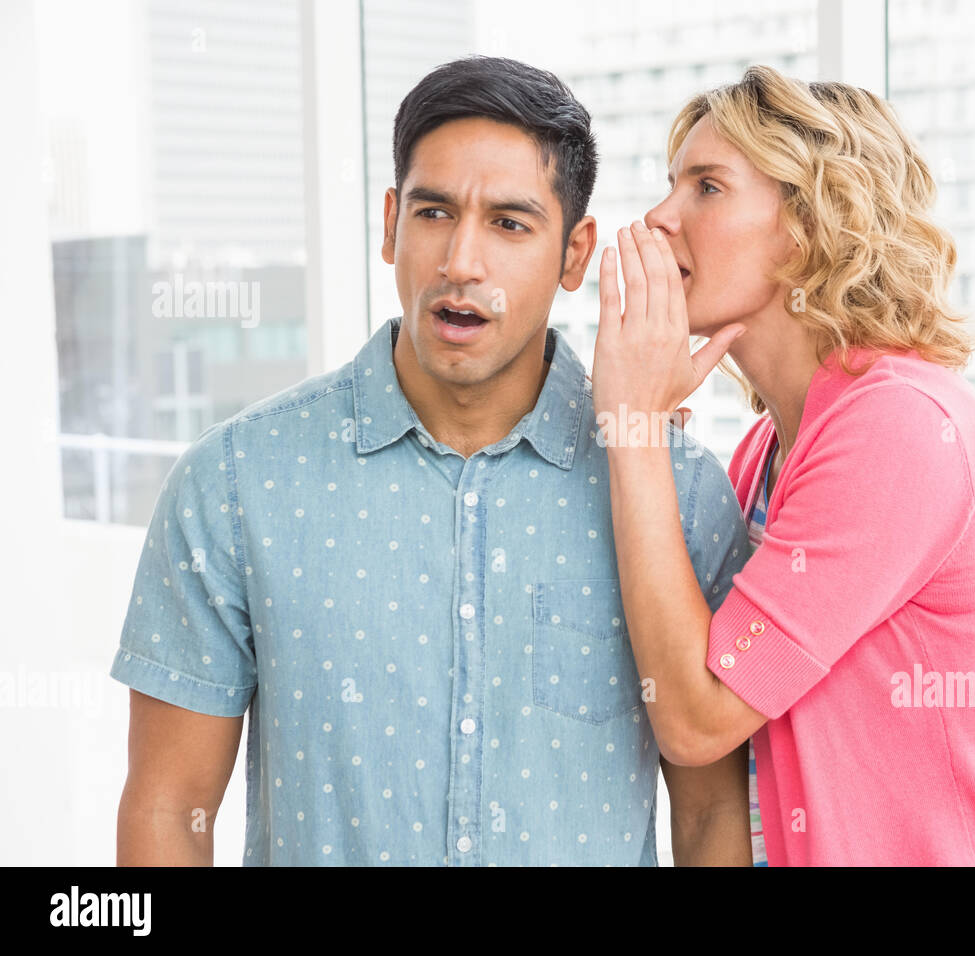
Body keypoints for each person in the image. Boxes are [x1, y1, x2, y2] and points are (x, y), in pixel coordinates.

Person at [109, 56, 753, 867]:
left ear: (574, 254)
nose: (461, 263)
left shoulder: (677, 494)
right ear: (389, 225)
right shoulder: (236, 485)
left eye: (511, 224)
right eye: (434, 213)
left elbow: (711, 820)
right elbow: (169, 809)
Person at [591, 65, 975, 866]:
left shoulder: (899, 430)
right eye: (672, 185)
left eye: (707, 188)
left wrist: (632, 427)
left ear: (814, 222)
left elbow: (698, 716)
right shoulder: (763, 458)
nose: (661, 217)